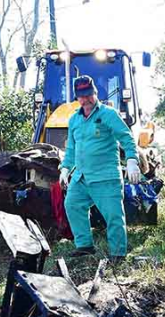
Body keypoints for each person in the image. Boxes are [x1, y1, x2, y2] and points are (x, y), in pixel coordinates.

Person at [59, 75, 141, 261]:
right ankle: (85, 245)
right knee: (72, 205)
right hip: (81, 177)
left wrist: (132, 160)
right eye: (82, 96)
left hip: (106, 177)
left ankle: (118, 253)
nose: (86, 99)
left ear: (95, 93)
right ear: (76, 97)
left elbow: (126, 137)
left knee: (113, 216)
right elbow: (71, 148)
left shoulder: (108, 114)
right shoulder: (74, 121)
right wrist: (65, 168)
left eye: (89, 94)